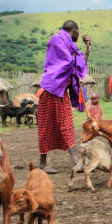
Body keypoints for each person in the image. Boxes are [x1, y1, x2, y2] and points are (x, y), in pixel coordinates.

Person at [36, 20, 90, 174]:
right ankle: (51, 163)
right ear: (74, 30)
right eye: (78, 32)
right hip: (50, 90)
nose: (79, 35)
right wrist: (76, 56)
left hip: (59, 90)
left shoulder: (67, 43)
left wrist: (87, 49)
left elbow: (78, 65)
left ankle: (70, 161)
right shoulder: (57, 40)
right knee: (51, 125)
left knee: (64, 123)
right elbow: (68, 63)